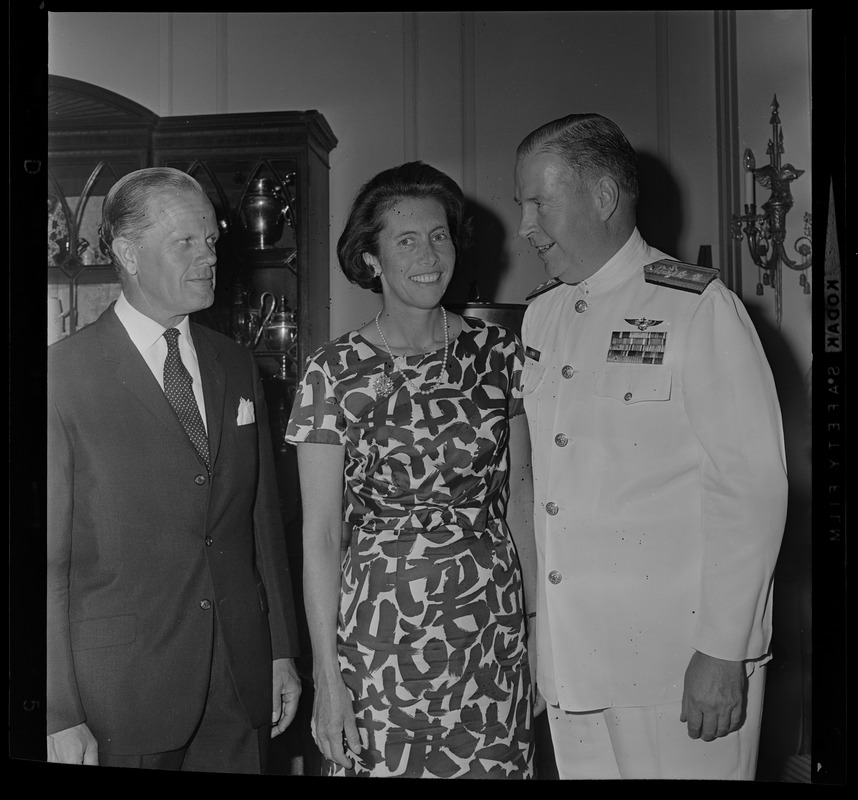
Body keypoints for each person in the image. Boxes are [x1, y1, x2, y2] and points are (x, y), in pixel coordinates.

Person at [513, 114, 788, 780]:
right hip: (577, 663)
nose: (525, 226)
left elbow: (751, 485)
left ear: (602, 197)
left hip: (679, 670)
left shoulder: (696, 308)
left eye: (537, 203)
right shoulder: (543, 313)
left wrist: (725, 651)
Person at [285, 161, 536, 779]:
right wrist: (327, 674)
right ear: (370, 259)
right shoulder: (333, 370)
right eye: (406, 239)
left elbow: (523, 498)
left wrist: (537, 632)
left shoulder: (499, 353)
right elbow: (319, 533)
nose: (430, 254)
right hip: (379, 638)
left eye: (440, 235)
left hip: (490, 631)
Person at [47, 167, 302, 772]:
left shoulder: (235, 363)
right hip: (119, 696)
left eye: (210, 241)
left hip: (239, 683)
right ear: (128, 254)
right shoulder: (61, 377)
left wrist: (280, 650)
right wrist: (57, 710)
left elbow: (261, 524)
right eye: (186, 242)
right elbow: (46, 562)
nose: (209, 257)